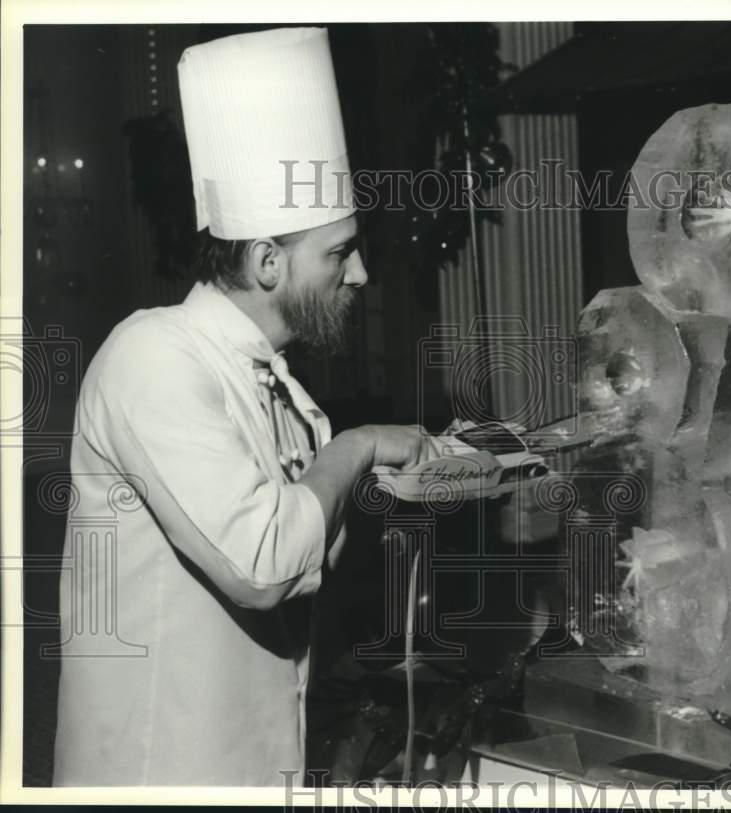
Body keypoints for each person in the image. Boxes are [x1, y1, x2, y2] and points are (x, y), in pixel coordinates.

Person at [53, 27, 433, 786]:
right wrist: (357, 448)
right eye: (338, 251)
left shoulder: (284, 391)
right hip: (157, 771)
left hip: (258, 765)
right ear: (266, 260)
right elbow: (262, 563)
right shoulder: (151, 356)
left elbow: (306, 553)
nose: (359, 272)